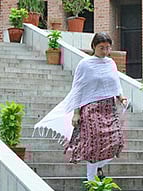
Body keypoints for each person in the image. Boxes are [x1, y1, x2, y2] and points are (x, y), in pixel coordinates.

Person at [34, 32, 128, 180]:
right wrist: (76, 112)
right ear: (94, 46)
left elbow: (115, 83)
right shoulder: (85, 64)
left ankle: (98, 166)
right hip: (90, 108)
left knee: (117, 141)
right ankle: (92, 181)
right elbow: (78, 89)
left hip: (109, 107)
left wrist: (121, 97)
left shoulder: (111, 63)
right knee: (94, 144)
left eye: (108, 48)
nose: (105, 51)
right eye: (101, 48)